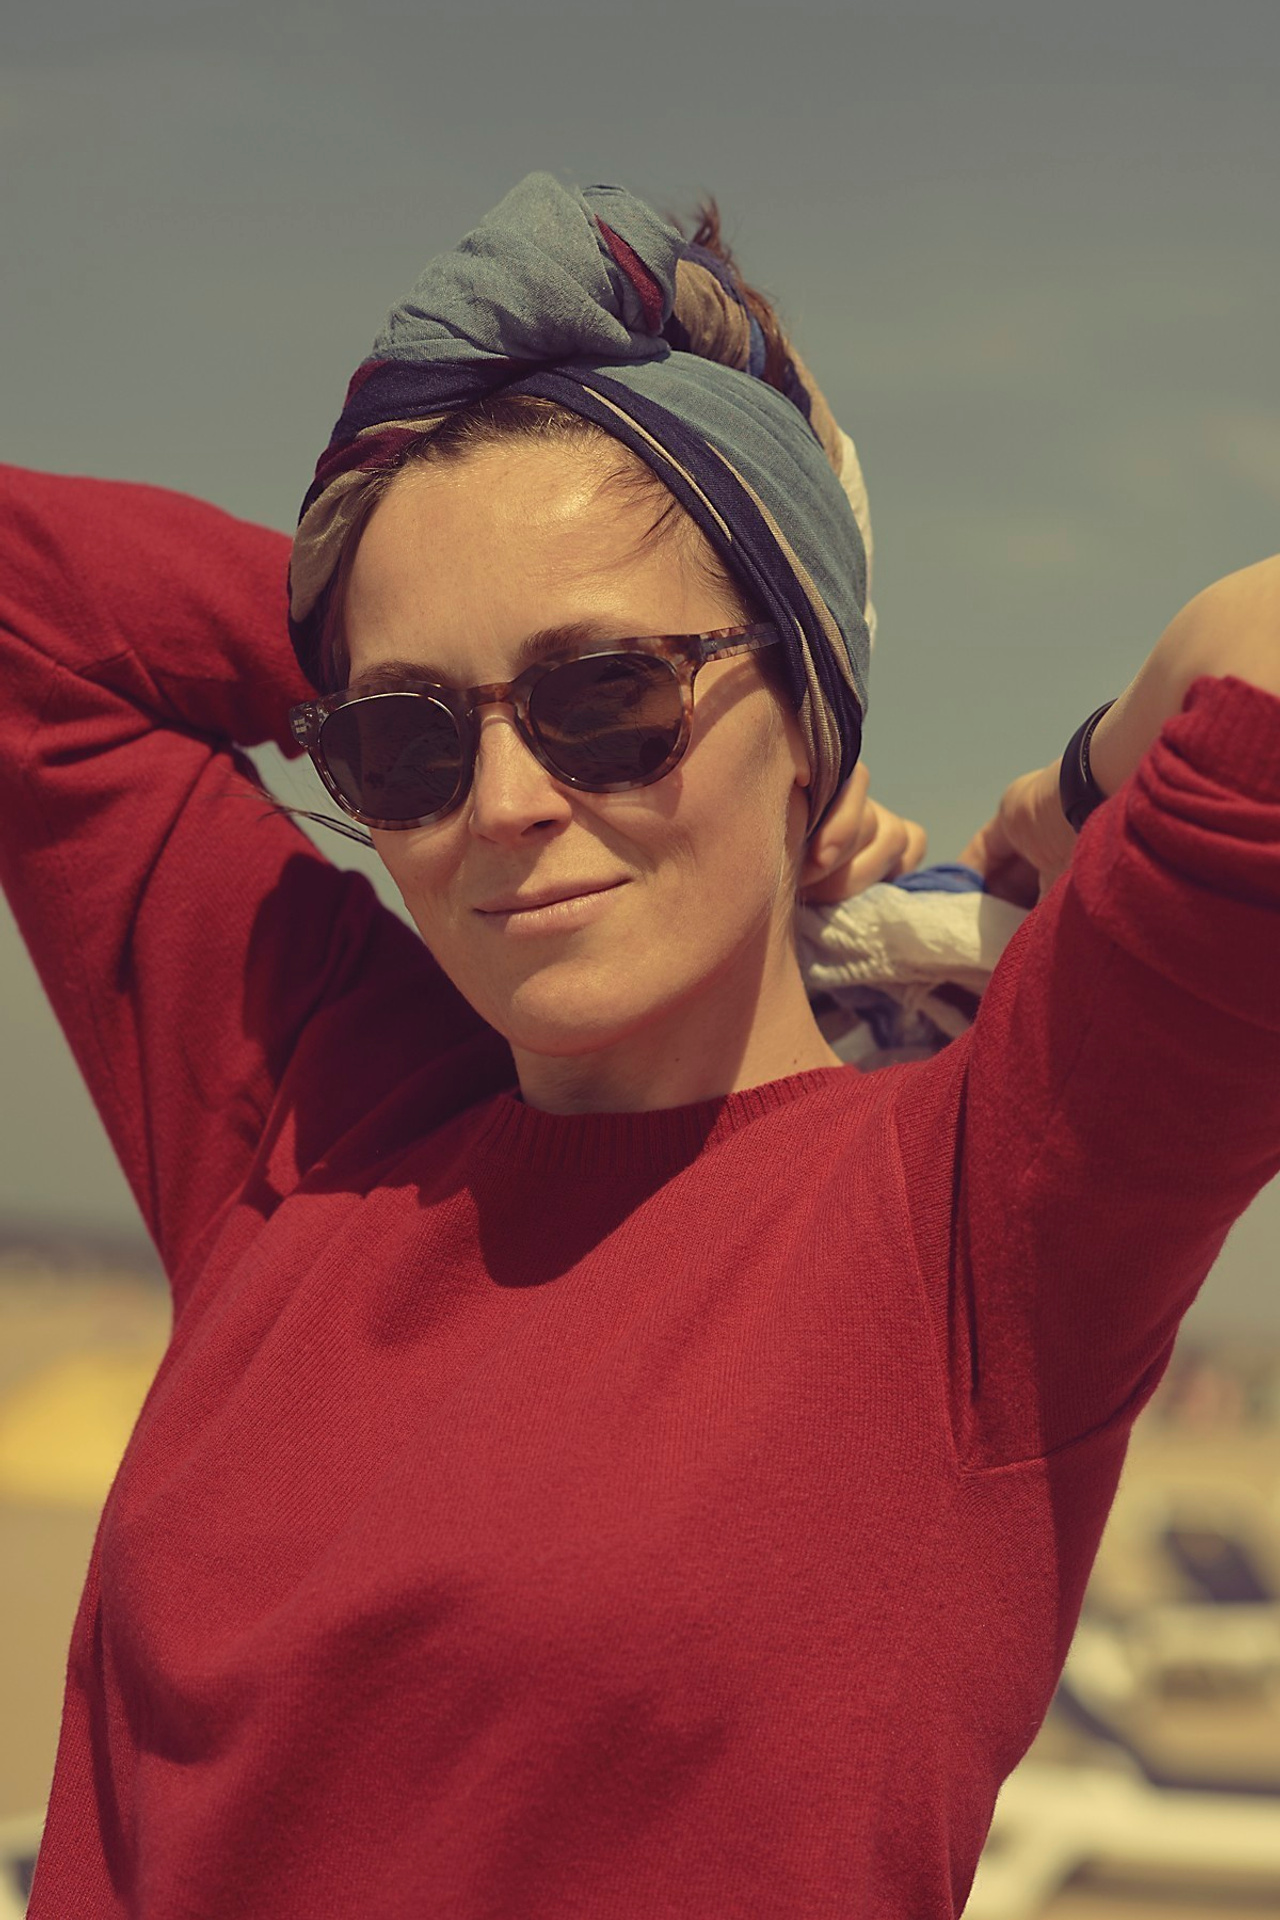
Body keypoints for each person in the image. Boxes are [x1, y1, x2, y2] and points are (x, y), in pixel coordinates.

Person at [2, 171, 1277, 1920]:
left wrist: (1065, 792)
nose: (505, 807)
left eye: (608, 698)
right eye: (407, 748)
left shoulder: (977, 1226)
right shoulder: (316, 1117)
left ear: (809, 719)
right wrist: (383, 607)